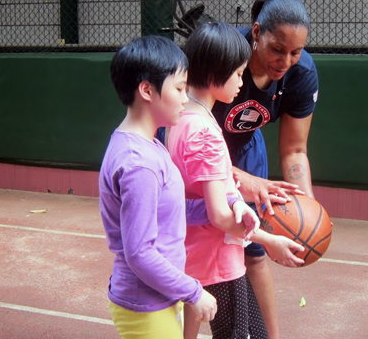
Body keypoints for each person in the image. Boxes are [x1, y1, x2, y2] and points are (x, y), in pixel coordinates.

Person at [166, 22, 305, 339]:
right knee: (246, 333)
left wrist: (236, 198)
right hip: (217, 257)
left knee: (191, 323)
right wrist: (270, 241)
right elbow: (219, 216)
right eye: (239, 73)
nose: (242, 82)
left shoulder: (180, 121)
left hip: (193, 251)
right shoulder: (206, 134)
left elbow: (199, 192)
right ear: (217, 73)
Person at [99, 35, 217, 338]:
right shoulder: (139, 163)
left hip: (159, 295)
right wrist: (193, 292)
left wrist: (220, 208)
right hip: (145, 302)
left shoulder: (150, 145)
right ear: (147, 90)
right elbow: (139, 253)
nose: (185, 97)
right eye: (179, 88)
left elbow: (171, 211)